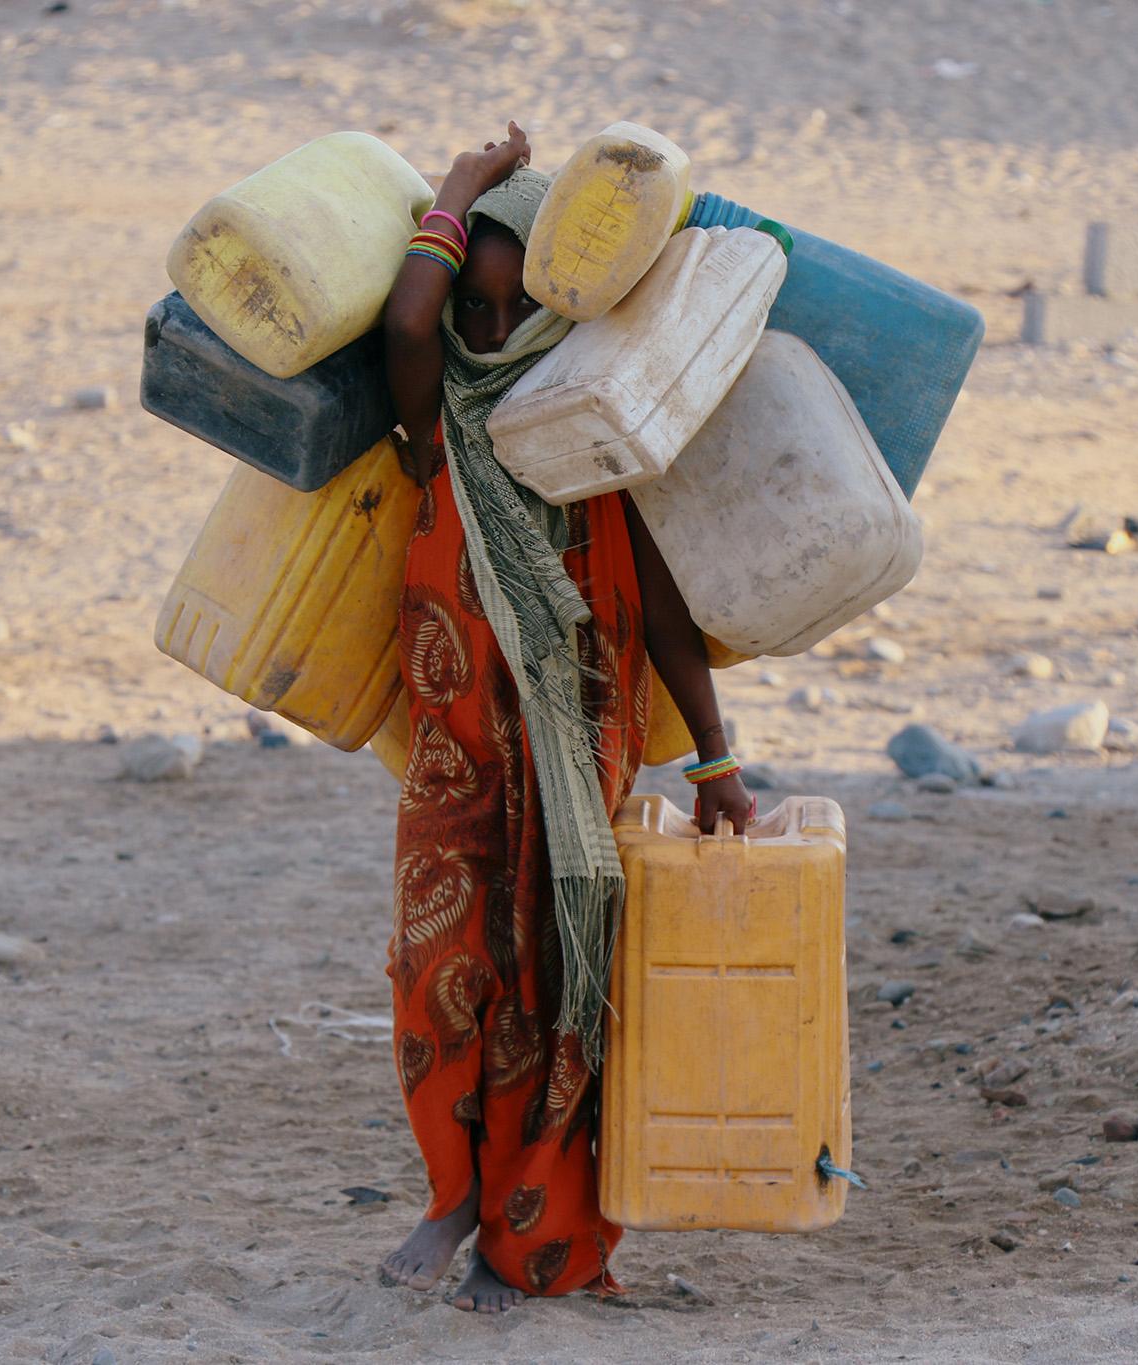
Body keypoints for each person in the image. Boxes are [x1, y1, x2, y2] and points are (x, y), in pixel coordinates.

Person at [375, 121, 752, 1314]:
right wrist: (463, 186)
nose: (484, 336)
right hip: (455, 762)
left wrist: (717, 763)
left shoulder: (591, 439)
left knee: (559, 990)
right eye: (472, 317)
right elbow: (403, 321)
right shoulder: (433, 423)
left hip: (577, 768)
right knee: (438, 967)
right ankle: (449, 1193)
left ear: (554, 312)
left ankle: (527, 1240)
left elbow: (671, 608)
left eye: (506, 315)